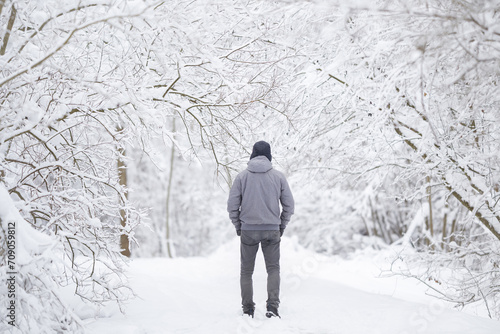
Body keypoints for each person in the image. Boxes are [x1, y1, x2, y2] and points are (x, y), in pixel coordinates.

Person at [227, 141, 295, 319]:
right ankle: (272, 307)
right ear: (269, 155)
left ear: (253, 154)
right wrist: (282, 225)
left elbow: (232, 205)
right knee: (273, 269)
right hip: (272, 229)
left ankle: (247, 309)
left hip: (248, 230)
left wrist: (238, 225)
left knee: (246, 271)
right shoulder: (278, 177)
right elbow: (289, 205)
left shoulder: (242, 177)